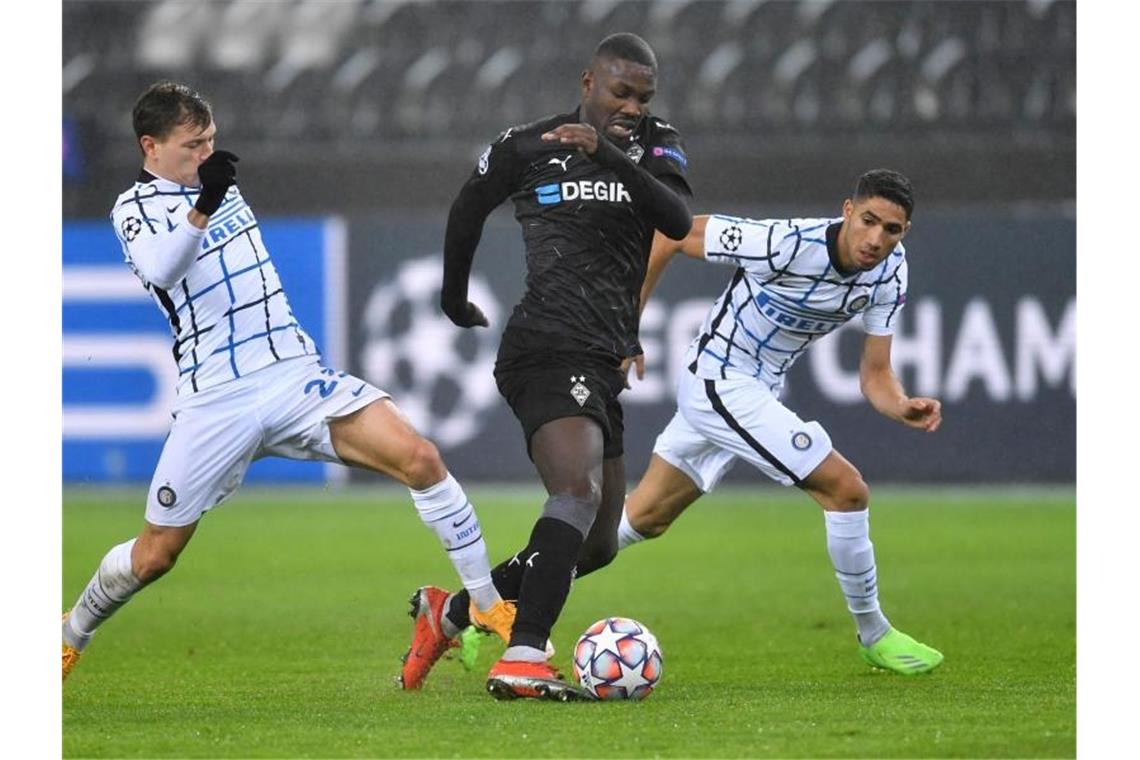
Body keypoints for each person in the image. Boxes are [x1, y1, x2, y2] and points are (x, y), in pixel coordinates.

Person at [62, 81, 512, 682]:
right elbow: (163, 270)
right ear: (151, 146)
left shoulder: (222, 188)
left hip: (292, 376)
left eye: (212, 141)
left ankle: (485, 611)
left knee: (421, 457)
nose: (206, 154)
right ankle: (69, 634)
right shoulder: (133, 210)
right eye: (192, 145)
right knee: (154, 556)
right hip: (215, 398)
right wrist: (204, 204)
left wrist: (211, 192)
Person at [399, 33, 692, 700]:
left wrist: (611, 154)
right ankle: (523, 655)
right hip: (544, 346)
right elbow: (466, 209)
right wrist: (453, 296)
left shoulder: (656, 144)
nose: (632, 108)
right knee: (577, 494)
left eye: (643, 98)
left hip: (600, 358)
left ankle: (449, 614)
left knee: (596, 545)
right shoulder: (525, 146)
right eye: (621, 93)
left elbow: (675, 220)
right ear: (589, 82)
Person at [616, 169, 944, 675]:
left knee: (641, 520)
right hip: (719, 379)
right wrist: (625, 327)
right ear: (847, 211)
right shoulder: (784, 244)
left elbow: (875, 375)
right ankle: (874, 633)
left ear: (905, 233)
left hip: (754, 389)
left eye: (892, 230)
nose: (876, 239)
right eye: (870, 221)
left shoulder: (891, 271)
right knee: (847, 489)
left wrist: (900, 404)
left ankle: (494, 603)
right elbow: (673, 232)